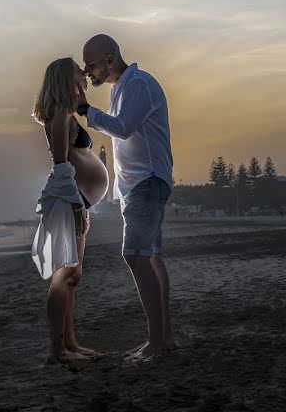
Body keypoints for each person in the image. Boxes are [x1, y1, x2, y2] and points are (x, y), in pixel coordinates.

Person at [76, 34, 175, 360]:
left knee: (134, 255)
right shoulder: (121, 89)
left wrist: (85, 110)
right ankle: (164, 339)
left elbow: (122, 128)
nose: (88, 73)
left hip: (147, 181)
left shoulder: (139, 84)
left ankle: (157, 342)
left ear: (109, 59)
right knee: (151, 257)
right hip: (137, 185)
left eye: (90, 65)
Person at [31, 57, 109, 364]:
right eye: (79, 69)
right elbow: (62, 168)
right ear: (66, 77)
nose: (85, 72)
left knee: (72, 275)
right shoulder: (60, 115)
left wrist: (83, 207)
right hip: (67, 201)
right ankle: (57, 350)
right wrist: (78, 208)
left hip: (75, 201)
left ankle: (71, 343)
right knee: (62, 276)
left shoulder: (67, 113)